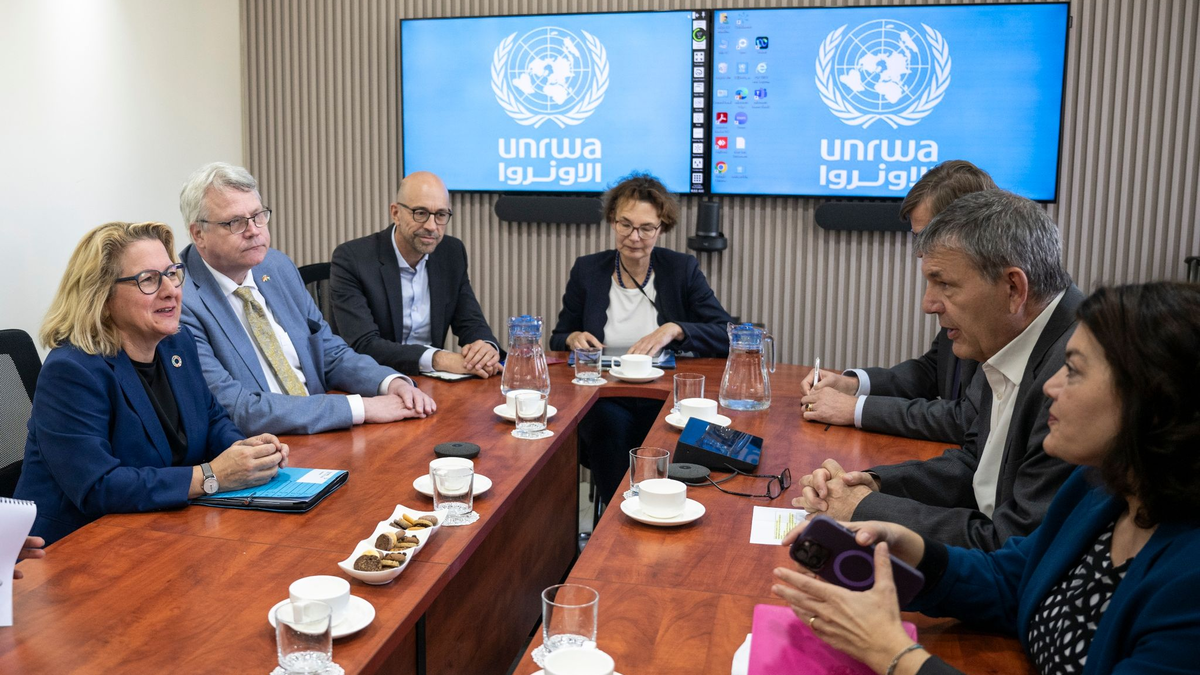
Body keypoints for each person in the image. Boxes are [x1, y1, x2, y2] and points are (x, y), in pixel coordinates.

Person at [773, 282, 1200, 675]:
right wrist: (912, 550)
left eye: (1073, 370)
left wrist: (894, 654)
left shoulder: (1189, 582)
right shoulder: (1098, 490)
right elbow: (1013, 579)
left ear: (1151, 401)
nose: (1050, 386)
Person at [796, 190, 1079, 551]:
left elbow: (1011, 544)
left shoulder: (1075, 372)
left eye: (944, 283)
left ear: (1013, 288)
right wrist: (870, 484)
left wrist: (863, 509)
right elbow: (975, 466)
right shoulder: (1016, 337)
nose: (928, 304)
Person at [13, 222, 289, 545]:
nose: (171, 289)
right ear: (101, 296)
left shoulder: (177, 344)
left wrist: (246, 453)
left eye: (172, 273)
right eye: (148, 280)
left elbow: (211, 418)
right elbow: (99, 486)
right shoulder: (72, 372)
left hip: (160, 531)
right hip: (73, 552)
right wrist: (211, 476)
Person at [178, 162, 436, 435]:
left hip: (325, 433)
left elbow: (328, 351)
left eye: (258, 216)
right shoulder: (182, 302)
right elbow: (239, 409)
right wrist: (362, 408)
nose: (254, 230)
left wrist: (390, 382)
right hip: (263, 448)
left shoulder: (276, 266)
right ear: (199, 234)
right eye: (236, 222)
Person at [550, 172, 734, 505]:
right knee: (607, 427)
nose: (634, 237)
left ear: (661, 228)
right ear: (611, 222)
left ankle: (661, 507)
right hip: (605, 394)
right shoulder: (588, 270)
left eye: (646, 228)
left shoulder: (682, 269)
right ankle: (617, 514)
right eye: (625, 225)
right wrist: (574, 337)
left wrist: (676, 329)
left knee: (665, 435)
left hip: (663, 396)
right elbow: (559, 337)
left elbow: (726, 334)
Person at [800, 160, 996, 444]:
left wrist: (856, 409)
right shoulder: (953, 289)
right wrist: (852, 385)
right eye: (917, 238)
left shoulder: (992, 300)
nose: (920, 252)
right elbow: (932, 370)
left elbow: (967, 418)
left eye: (928, 237)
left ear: (969, 228)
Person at [331, 171, 501, 378]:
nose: (431, 226)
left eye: (440, 215)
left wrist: (485, 348)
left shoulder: (451, 253)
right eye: (420, 213)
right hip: (373, 380)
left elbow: (470, 321)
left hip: (432, 382)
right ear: (395, 213)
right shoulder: (353, 258)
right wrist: (439, 359)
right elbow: (363, 344)